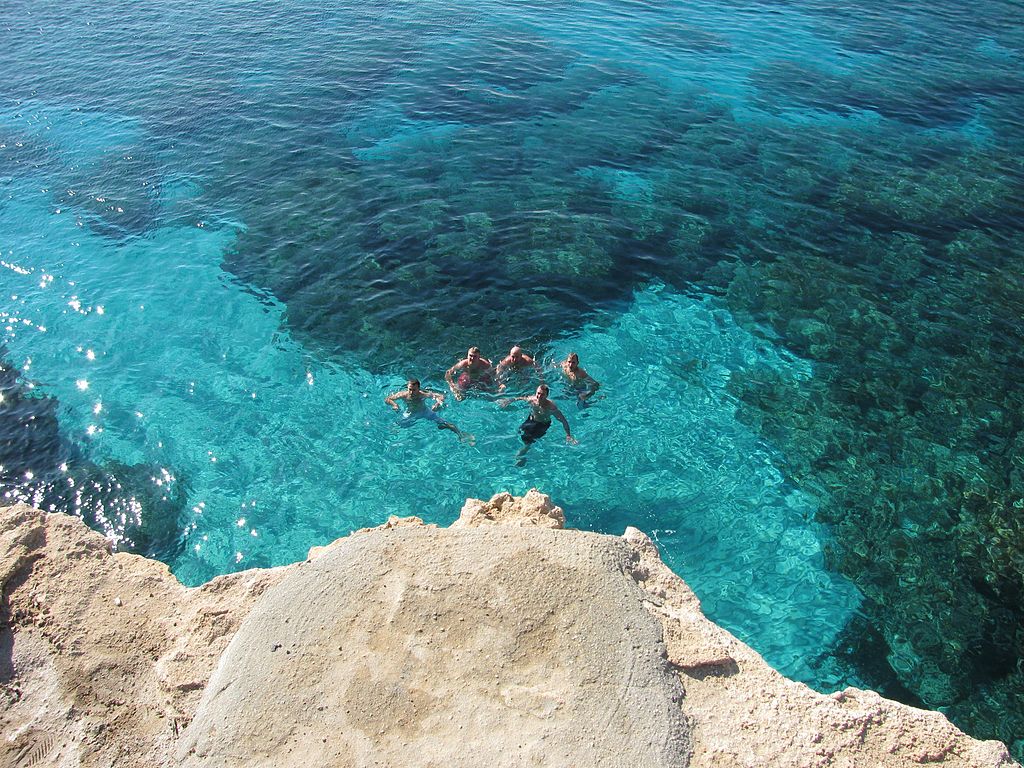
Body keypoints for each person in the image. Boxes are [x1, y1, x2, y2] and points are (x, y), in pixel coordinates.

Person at [504, 383, 577, 465]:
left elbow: (563, 421)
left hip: (542, 424)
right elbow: (521, 398)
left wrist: (568, 435)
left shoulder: (551, 407)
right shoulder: (533, 400)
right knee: (519, 433)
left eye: (542, 394)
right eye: (538, 393)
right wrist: (510, 400)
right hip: (531, 420)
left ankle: (521, 457)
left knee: (528, 442)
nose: (539, 396)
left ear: (546, 396)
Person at [385, 379, 472, 443]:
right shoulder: (403, 395)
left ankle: (462, 435)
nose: (411, 392)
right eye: (409, 389)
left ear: (418, 388)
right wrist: (394, 405)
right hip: (411, 414)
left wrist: (437, 404)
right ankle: (390, 442)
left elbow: (441, 396)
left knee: (445, 424)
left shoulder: (422, 395)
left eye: (414, 389)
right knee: (395, 427)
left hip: (425, 412)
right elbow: (388, 399)